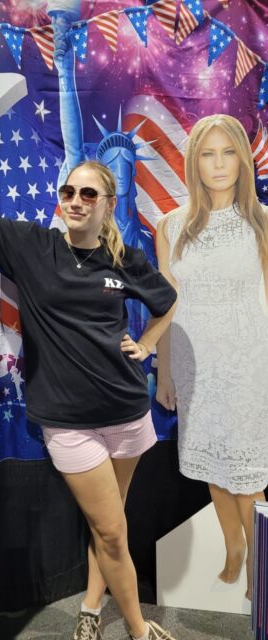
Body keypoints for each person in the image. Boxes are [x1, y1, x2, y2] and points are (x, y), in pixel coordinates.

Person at [0, 160, 178, 640]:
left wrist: (148, 343)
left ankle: (91, 607)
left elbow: (168, 300)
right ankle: (139, 629)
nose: (75, 201)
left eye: (88, 194)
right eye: (69, 191)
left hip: (127, 413)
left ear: (109, 204)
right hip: (68, 422)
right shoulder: (34, 246)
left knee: (109, 525)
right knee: (112, 531)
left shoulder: (124, 260)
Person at [155, 114, 268, 601]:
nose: (219, 164)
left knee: (247, 477)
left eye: (228, 153)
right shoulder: (170, 226)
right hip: (194, 363)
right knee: (212, 469)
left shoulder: (262, 222)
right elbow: (166, 303)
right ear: (193, 163)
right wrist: (164, 370)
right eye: (208, 154)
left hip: (248, 364)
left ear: (242, 160)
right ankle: (233, 547)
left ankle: (260, 566)